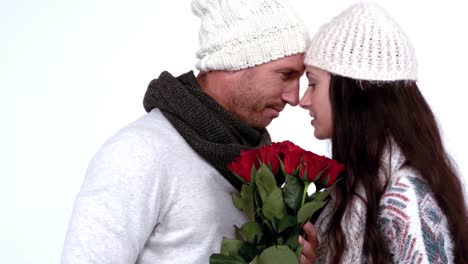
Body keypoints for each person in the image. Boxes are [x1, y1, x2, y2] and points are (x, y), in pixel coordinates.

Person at [61, 0, 319, 263]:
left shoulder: (258, 164)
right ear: (237, 61)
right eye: (285, 75)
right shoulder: (140, 152)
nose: (294, 97)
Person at [299, 3, 468, 263]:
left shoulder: (405, 199)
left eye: (312, 83)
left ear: (352, 92)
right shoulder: (351, 189)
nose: (304, 100)